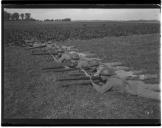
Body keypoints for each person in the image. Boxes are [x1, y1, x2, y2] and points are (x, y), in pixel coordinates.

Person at [90, 66, 160, 100]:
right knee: (152, 86)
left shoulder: (110, 82)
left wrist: (93, 83)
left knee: (154, 95)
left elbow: (101, 90)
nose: (100, 77)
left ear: (106, 76)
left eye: (101, 75)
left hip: (135, 89)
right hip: (136, 83)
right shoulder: (115, 76)